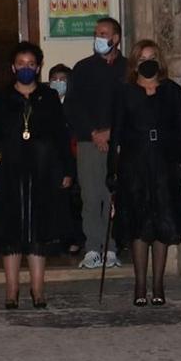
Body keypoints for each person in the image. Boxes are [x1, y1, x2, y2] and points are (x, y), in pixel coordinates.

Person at [0, 41, 79, 308]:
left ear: (38, 68)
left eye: (31, 64)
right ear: (13, 67)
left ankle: (38, 290)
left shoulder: (47, 98)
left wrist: (68, 170)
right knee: (11, 233)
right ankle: (11, 291)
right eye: (21, 64)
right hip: (10, 171)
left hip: (43, 171)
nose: (26, 68)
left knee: (39, 232)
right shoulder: (2, 98)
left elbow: (61, 136)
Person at [111, 39, 181, 305]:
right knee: (140, 225)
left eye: (153, 57)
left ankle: (158, 285)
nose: (148, 62)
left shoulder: (172, 90)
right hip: (134, 164)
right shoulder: (125, 92)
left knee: (163, 223)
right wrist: (112, 172)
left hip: (163, 162)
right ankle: (139, 285)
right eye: (143, 58)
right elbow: (116, 134)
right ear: (135, 64)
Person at [66, 16, 126, 269]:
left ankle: (112, 246)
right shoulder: (82, 68)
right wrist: (93, 133)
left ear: (116, 39)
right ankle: (93, 246)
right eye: (96, 34)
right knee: (91, 195)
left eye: (103, 34)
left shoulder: (127, 68)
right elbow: (72, 107)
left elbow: (130, 106)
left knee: (114, 196)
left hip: (119, 141)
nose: (99, 38)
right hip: (89, 141)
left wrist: (111, 133)